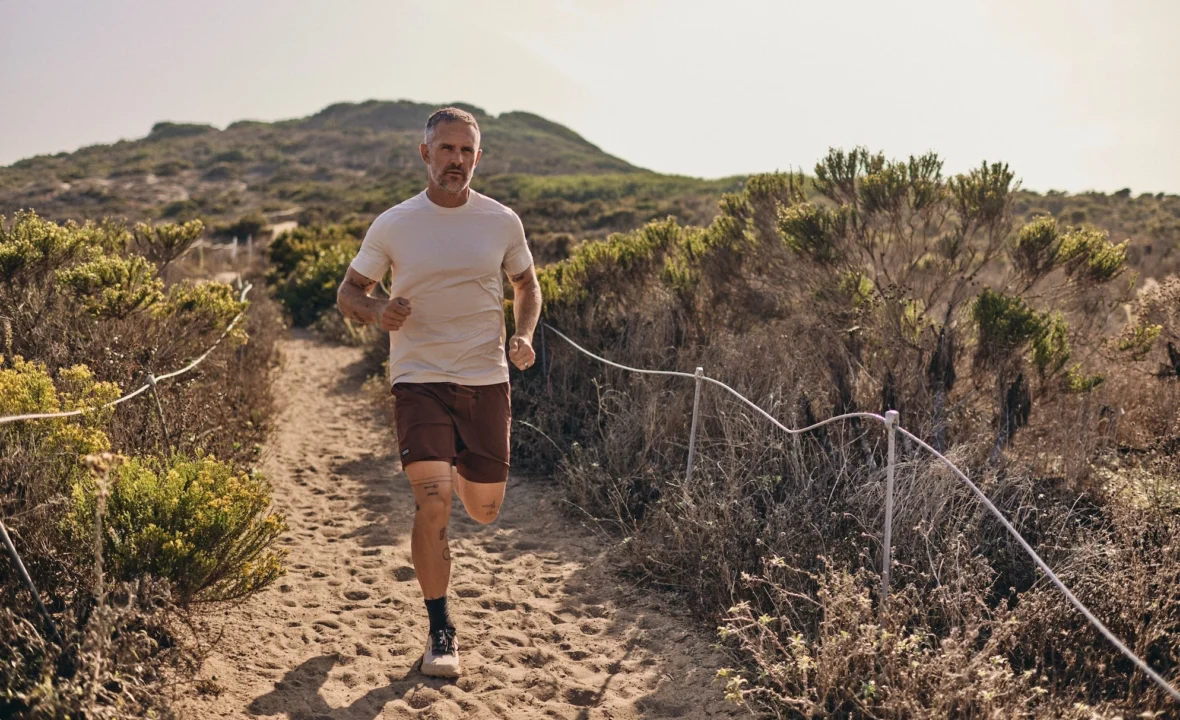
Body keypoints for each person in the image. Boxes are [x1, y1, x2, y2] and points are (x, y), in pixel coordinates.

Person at [336, 107, 542, 678]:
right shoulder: (395, 224)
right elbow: (349, 293)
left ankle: (465, 486)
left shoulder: (501, 221)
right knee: (432, 503)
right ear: (424, 153)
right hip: (418, 378)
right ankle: (440, 631)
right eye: (446, 150)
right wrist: (378, 310)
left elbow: (527, 285)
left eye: (466, 151)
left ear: (479, 157)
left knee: (485, 508)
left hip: (485, 378)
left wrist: (522, 334)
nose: (456, 161)